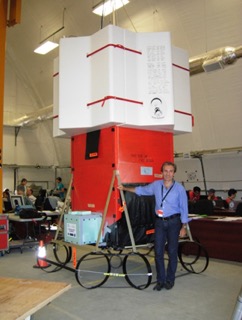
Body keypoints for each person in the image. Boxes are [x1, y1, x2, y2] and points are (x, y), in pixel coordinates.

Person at [118, 161, 189, 291]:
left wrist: (183, 226)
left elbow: (184, 208)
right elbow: (141, 190)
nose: (168, 174)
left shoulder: (179, 189)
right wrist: (125, 188)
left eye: (170, 171)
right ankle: (160, 280)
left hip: (174, 222)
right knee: (158, 252)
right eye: (165, 171)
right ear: (162, 172)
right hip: (160, 222)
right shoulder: (156, 185)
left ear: (174, 173)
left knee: (172, 252)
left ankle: (170, 280)